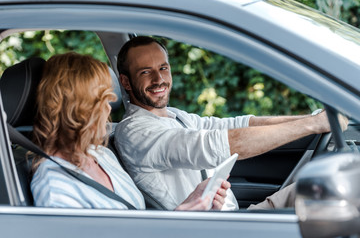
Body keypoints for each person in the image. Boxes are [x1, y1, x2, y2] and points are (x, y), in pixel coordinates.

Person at [114, 36, 349, 211]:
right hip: (217, 230)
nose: (159, 79)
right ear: (125, 81)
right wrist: (313, 126)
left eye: (163, 68)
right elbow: (218, 144)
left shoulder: (173, 115)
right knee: (338, 188)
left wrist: (312, 119)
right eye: (146, 72)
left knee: (328, 185)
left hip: (235, 219)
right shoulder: (135, 132)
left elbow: (235, 124)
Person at [30, 52, 230, 211]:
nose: (109, 108)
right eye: (101, 100)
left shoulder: (100, 154)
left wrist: (191, 204)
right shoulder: (55, 188)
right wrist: (182, 217)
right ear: (77, 107)